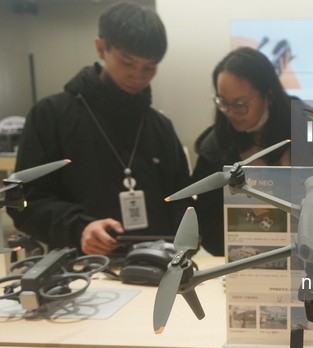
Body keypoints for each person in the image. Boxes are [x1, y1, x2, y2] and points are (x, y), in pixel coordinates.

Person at [8, 2, 191, 256]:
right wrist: (79, 229)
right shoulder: (51, 115)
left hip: (157, 268)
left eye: (149, 67)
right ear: (100, 48)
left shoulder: (160, 127)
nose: (138, 76)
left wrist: (185, 238)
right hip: (80, 272)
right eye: (127, 63)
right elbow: (23, 201)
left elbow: (180, 198)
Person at [192, 47, 313, 256]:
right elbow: (209, 229)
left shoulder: (312, 129)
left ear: (268, 94)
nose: (231, 113)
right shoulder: (214, 146)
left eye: (240, 105)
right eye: (223, 103)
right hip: (244, 260)